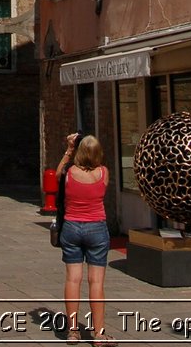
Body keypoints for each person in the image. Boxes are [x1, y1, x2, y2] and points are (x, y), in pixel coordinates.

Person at [56, 132, 112, 344]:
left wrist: (69, 149)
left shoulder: (70, 173)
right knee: (96, 281)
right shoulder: (103, 173)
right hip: (96, 228)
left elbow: (57, 174)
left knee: (73, 279)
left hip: (71, 228)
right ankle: (98, 334)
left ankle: (73, 331)